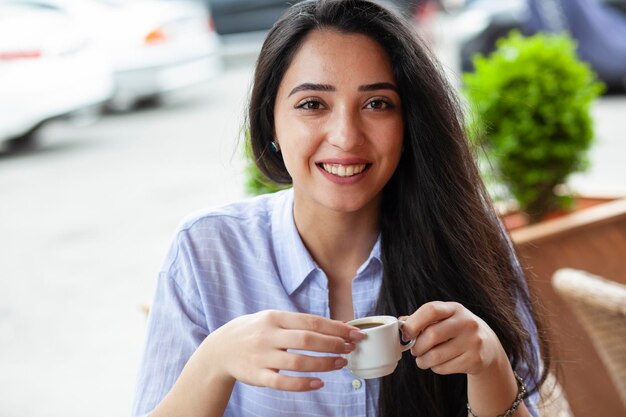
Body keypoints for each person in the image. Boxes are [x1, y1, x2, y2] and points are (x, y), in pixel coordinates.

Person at [131, 1, 550, 416]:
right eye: (312, 104)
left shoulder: (466, 240)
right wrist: (215, 361)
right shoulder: (206, 250)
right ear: (270, 123)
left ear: (409, 126)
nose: (346, 137)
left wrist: (490, 365)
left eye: (377, 104)